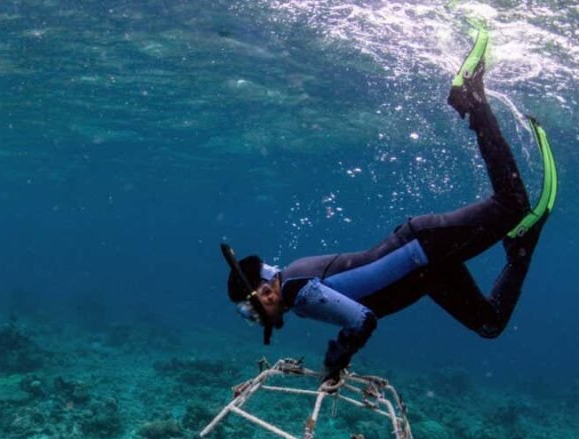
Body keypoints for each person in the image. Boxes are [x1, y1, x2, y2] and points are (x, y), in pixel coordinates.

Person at [223, 30, 557, 386]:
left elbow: (362, 319)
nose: (254, 318)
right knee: (488, 324)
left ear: (265, 292)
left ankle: (472, 96)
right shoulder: (288, 281)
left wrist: (337, 358)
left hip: (422, 250)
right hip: (427, 270)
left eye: (251, 310)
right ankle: (520, 248)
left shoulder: (295, 291)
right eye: (249, 316)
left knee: (511, 205)